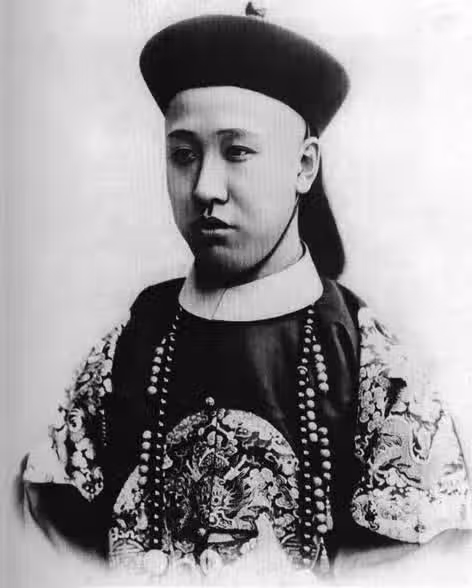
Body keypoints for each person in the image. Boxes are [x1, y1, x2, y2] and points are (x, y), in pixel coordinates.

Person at [20, 6, 471, 582]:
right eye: (183, 155)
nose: (205, 188)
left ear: (304, 166)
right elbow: (50, 527)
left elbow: (421, 562)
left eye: (237, 152)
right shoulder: (134, 340)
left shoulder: (367, 358)